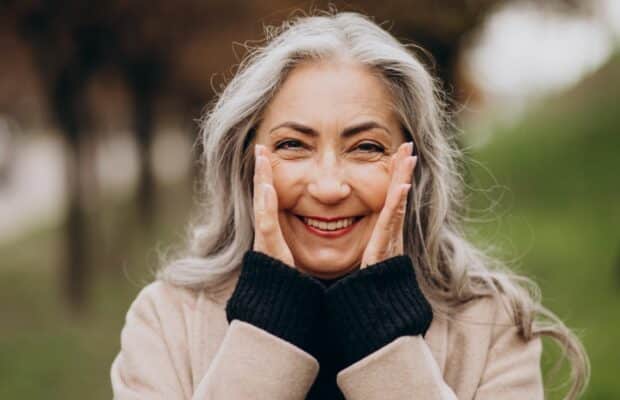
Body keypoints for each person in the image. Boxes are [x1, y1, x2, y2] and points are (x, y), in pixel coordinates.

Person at [110, 10, 589, 400]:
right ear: (246, 162)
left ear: (415, 165)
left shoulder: (490, 323)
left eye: (365, 148)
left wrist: (383, 334)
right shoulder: (166, 319)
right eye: (294, 145)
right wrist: (268, 324)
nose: (328, 186)